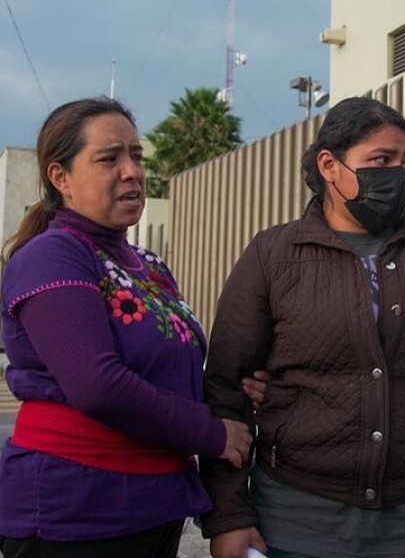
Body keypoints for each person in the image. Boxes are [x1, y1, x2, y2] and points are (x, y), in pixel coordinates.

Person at [200, 97, 405, 558]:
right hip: (300, 518)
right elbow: (226, 388)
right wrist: (228, 516)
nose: (397, 174)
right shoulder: (273, 254)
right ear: (329, 164)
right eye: (380, 160)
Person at [0, 97, 252, 558]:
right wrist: (212, 433)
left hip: (154, 505)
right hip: (77, 509)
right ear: (61, 178)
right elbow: (97, 385)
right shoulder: (52, 255)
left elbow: (172, 370)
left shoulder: (148, 266)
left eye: (136, 156)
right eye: (108, 158)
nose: (132, 171)